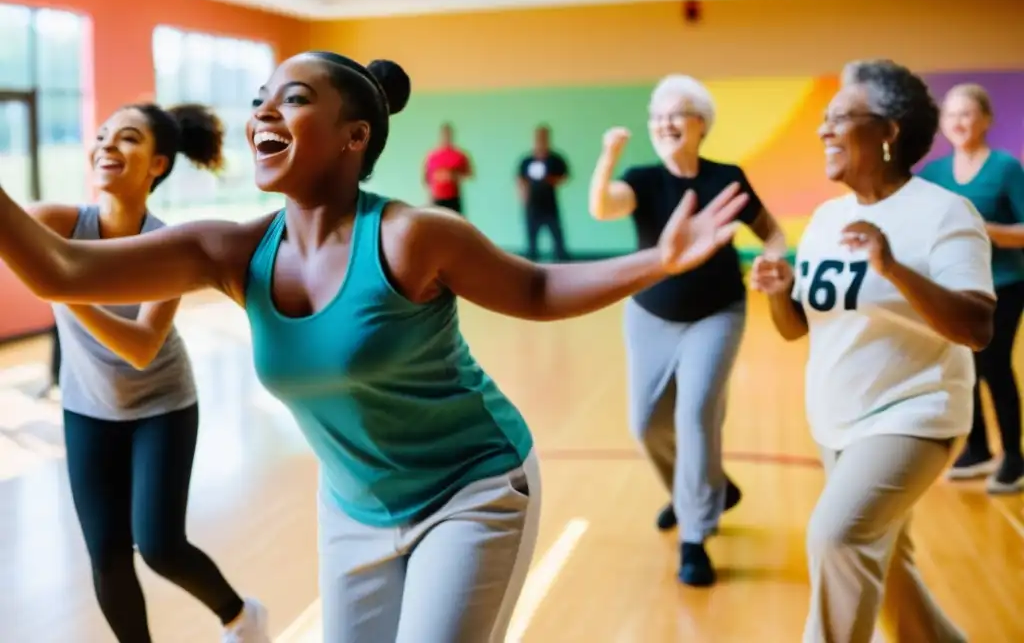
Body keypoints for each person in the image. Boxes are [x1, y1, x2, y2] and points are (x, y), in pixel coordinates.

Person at [0, 51, 752, 643]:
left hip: (472, 491)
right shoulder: (230, 252)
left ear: (354, 138)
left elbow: (536, 291)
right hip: (354, 506)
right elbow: (62, 267)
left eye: (292, 98)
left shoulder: (408, 235)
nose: (264, 107)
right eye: (261, 95)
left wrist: (658, 259)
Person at [751, 59, 995, 643]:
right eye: (824, 118)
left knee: (838, 537)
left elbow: (977, 325)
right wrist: (780, 293)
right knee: (889, 573)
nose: (824, 130)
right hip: (838, 420)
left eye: (841, 117)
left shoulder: (942, 214)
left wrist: (893, 267)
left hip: (915, 413)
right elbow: (796, 329)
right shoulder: (828, 217)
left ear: (888, 131)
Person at [26, 103, 267, 643]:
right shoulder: (58, 223)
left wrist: (63, 285)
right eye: (103, 136)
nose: (107, 146)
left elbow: (140, 347)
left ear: (157, 164)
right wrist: (55, 274)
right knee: (107, 558)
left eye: (127, 139)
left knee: (159, 545)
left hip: (161, 405)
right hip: (87, 409)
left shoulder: (167, 246)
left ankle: (240, 615)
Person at [588, 74, 787, 587]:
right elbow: (603, 207)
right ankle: (700, 488)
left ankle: (695, 535)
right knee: (645, 423)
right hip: (650, 314)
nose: (665, 124)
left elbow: (774, 234)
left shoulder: (728, 177)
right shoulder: (643, 178)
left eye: (676, 115)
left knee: (697, 412)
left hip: (716, 312)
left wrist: (771, 262)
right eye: (657, 117)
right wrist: (608, 155)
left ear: (701, 124)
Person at [918, 83, 1024, 493]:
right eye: (951, 115)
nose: (958, 122)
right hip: (952, 289)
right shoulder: (934, 173)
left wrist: (989, 230)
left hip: (1005, 285)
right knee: (962, 369)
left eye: (967, 113)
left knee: (993, 366)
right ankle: (977, 447)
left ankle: (1013, 456)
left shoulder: (1006, 168)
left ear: (986, 119)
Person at [517, 124, 570, 261]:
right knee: (531, 240)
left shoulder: (555, 159)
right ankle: (531, 265)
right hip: (532, 206)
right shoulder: (526, 160)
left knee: (557, 237)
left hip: (550, 205)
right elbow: (520, 181)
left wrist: (550, 180)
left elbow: (565, 177)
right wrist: (523, 198)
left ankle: (562, 263)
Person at [423, 122, 473, 214]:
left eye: (448, 134)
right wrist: (429, 201)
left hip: (453, 198)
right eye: (444, 134)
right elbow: (427, 180)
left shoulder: (459, 155)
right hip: (437, 198)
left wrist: (453, 176)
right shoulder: (432, 156)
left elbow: (469, 174)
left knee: (456, 226)